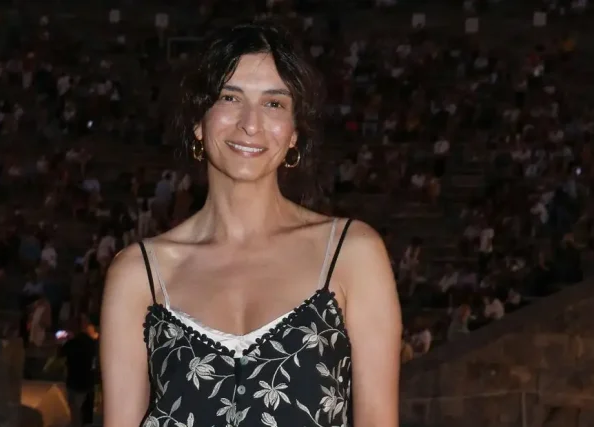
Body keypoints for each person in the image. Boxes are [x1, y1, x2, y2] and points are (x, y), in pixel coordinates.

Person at [100, 21, 401, 427]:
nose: (251, 124)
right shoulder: (139, 274)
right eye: (230, 97)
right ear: (198, 121)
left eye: (274, 104)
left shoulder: (351, 253)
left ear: (294, 133)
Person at [60, 316, 99, 427]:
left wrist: (64, 341)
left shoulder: (72, 343)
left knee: (75, 408)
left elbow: (61, 354)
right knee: (86, 412)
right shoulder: (91, 342)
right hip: (88, 379)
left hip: (75, 380)